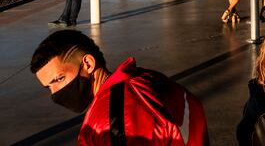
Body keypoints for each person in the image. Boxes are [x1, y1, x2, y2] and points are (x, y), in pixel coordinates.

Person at [30, 30, 210, 145]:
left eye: (59, 79)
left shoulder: (113, 121)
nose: (55, 93)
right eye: (48, 87)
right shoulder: (145, 78)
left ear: (88, 63)